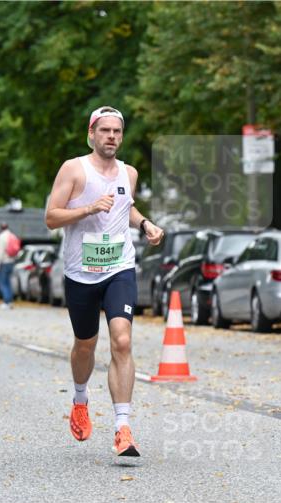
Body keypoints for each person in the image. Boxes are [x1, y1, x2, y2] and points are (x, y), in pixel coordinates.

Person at [45, 106, 164, 457]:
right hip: (81, 273)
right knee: (85, 344)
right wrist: (87, 208)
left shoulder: (129, 172)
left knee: (122, 341)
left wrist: (145, 224)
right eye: (105, 131)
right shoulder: (73, 169)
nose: (111, 136)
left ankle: (122, 427)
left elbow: (125, 208)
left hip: (119, 267)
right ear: (91, 134)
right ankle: (80, 398)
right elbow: (52, 217)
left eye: (117, 131)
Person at [0, 222, 21, 309]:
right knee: (8, 282)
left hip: (4, 262)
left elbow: (0, 252)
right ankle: (10, 301)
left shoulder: (1, 237)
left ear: (1, 228)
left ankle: (6, 302)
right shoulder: (13, 236)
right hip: (11, 262)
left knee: (2, 283)